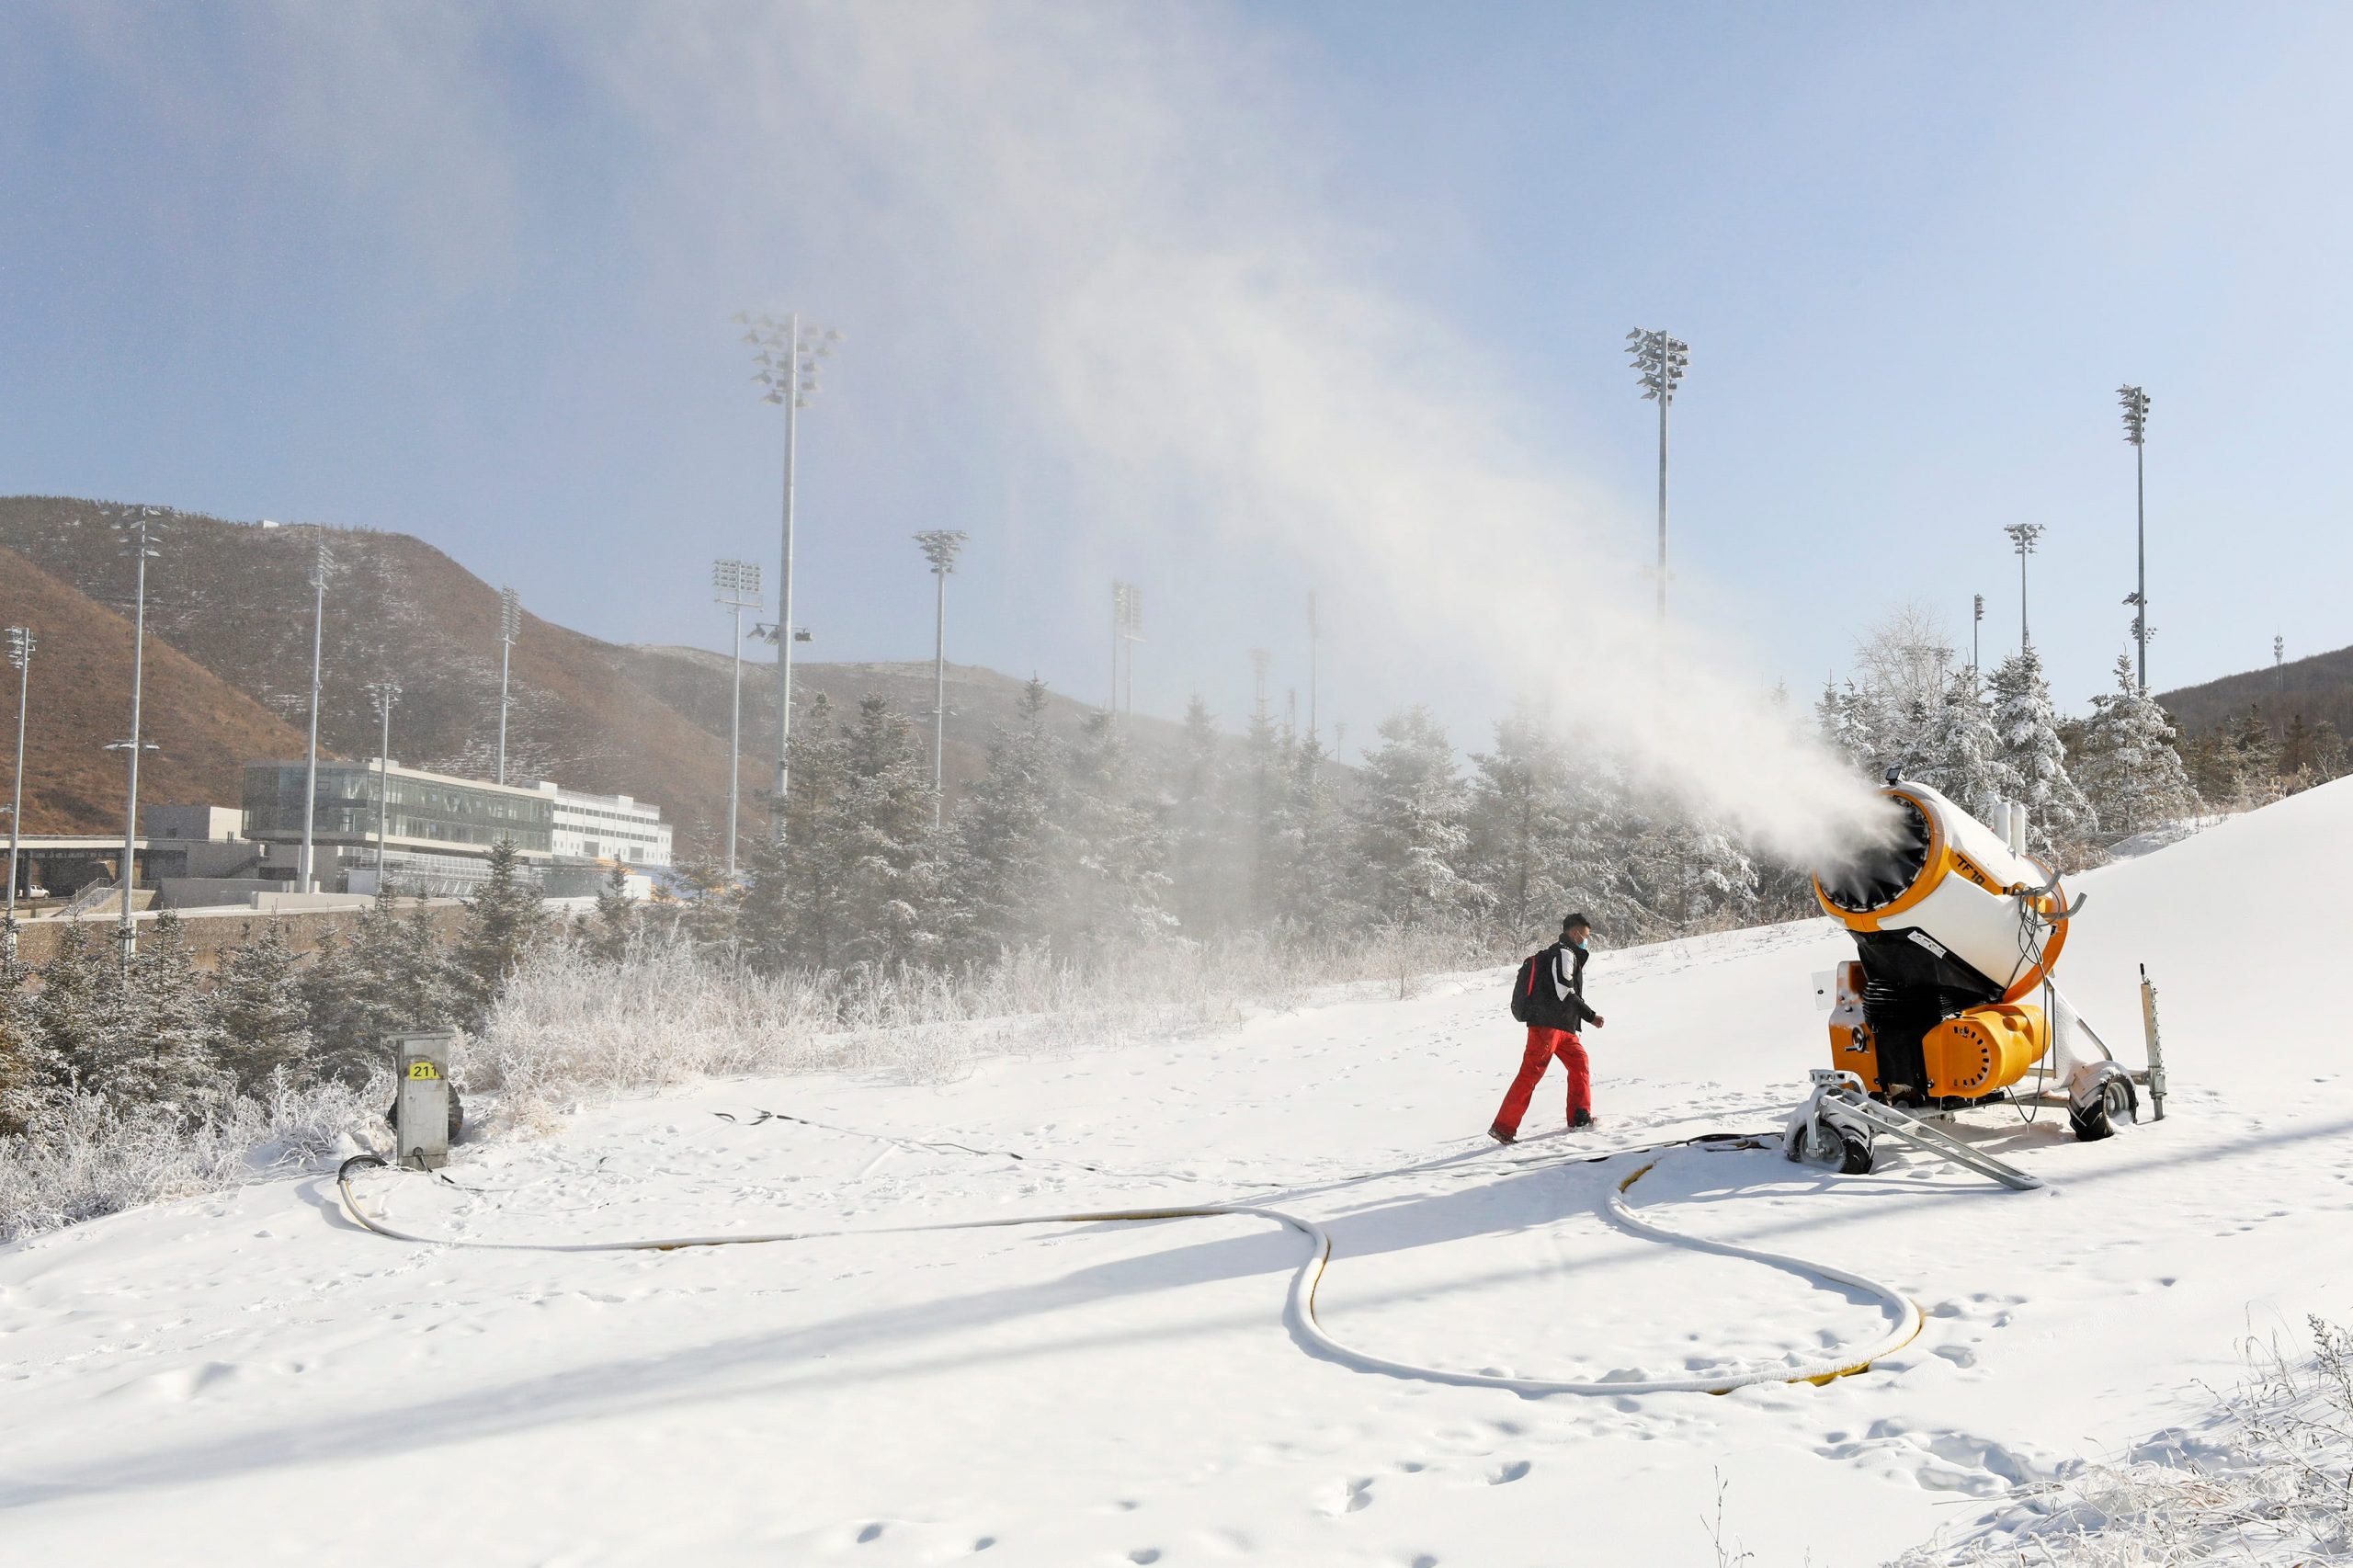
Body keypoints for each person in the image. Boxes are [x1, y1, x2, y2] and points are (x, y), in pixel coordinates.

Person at [1490, 913, 1607, 1144]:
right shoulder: (1564, 952)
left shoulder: (1569, 953)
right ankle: (1503, 1127)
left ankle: (1580, 1118)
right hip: (1546, 1026)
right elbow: (1565, 990)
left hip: (1563, 1028)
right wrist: (1590, 1016)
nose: (1586, 941)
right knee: (1530, 1074)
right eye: (1585, 936)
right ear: (1574, 933)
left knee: (1579, 1063)